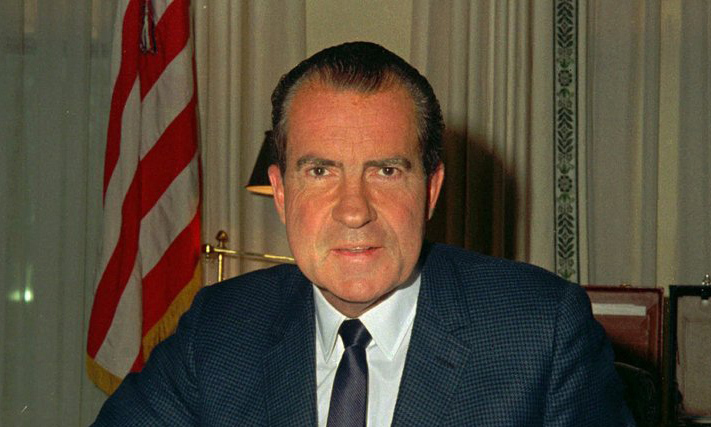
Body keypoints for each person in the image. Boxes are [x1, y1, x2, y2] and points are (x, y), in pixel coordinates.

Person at [93, 42, 635, 426]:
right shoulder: (220, 330)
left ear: (431, 190)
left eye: (386, 171)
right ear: (280, 192)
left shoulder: (539, 333)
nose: (354, 211)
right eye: (320, 171)